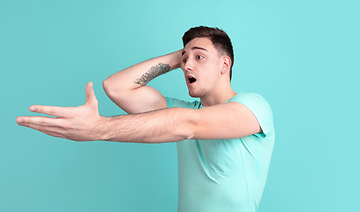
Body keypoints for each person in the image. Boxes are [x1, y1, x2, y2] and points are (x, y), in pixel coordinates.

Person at [16, 26, 275, 212]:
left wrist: (98, 128)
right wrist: (180, 56)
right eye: (186, 59)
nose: (188, 66)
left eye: (200, 57)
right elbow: (116, 87)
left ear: (225, 64)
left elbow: (186, 125)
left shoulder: (253, 106)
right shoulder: (182, 108)